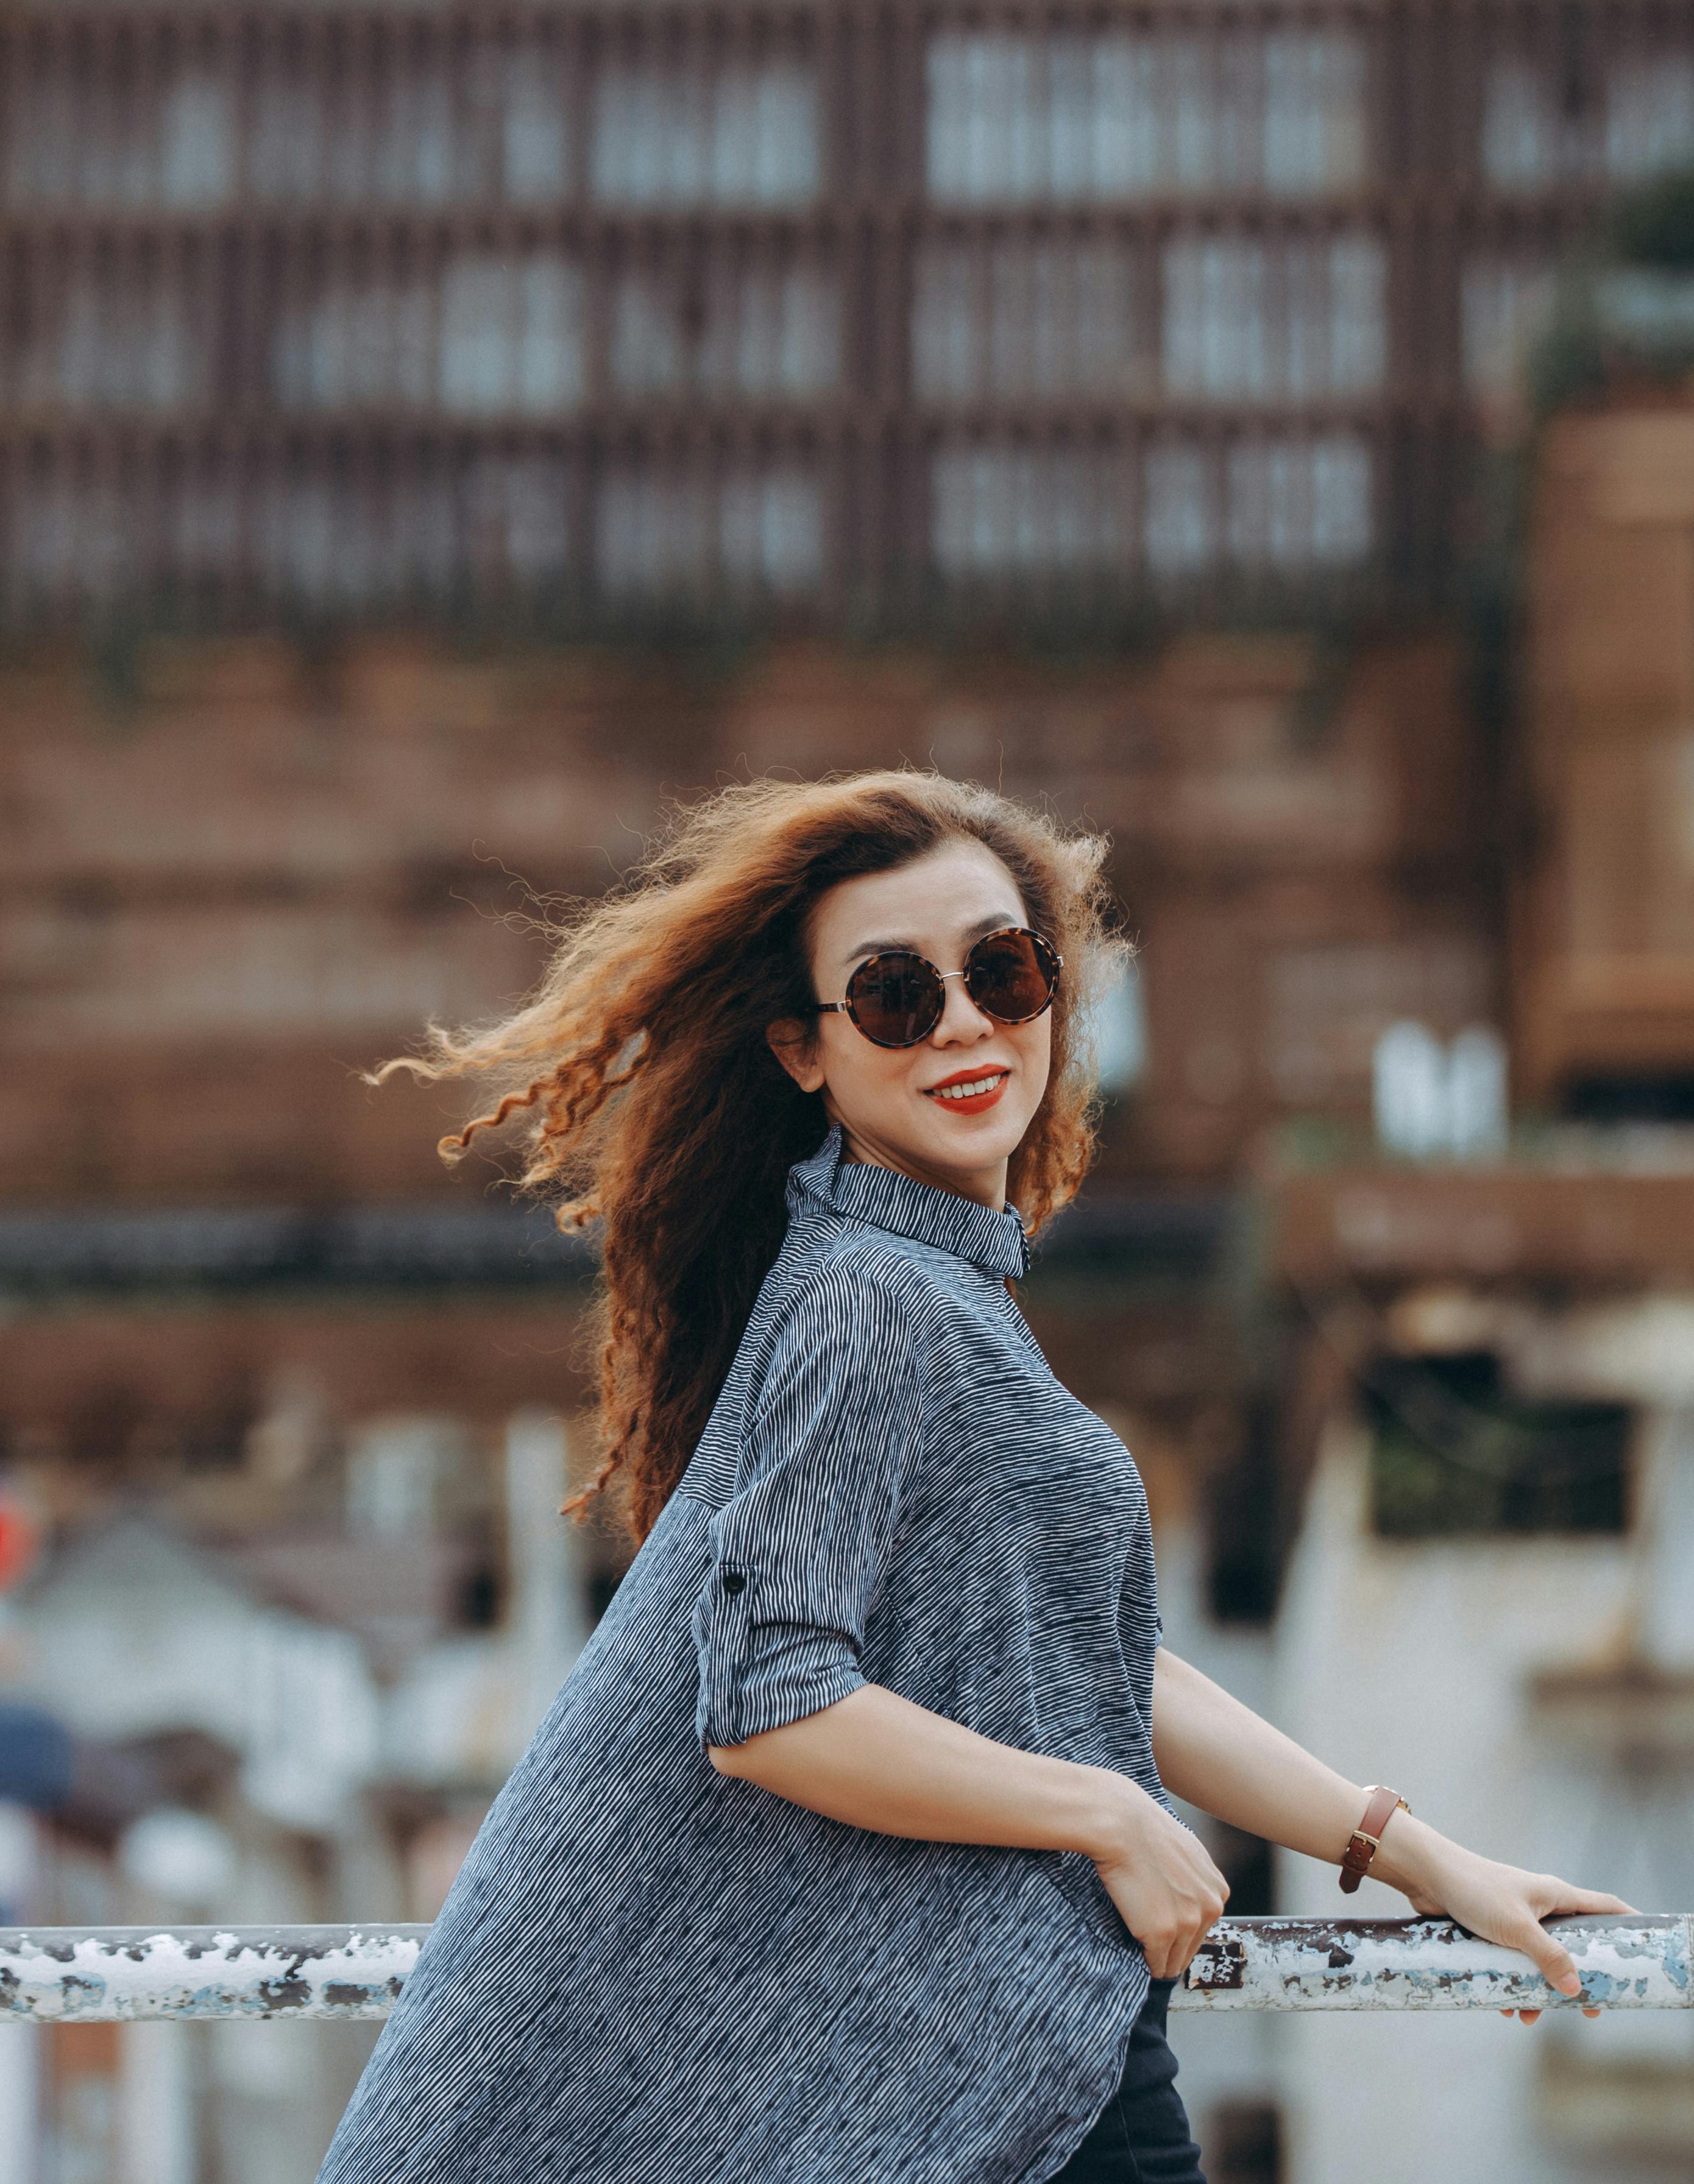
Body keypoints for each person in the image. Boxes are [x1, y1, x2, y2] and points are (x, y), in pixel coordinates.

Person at [316, 771, 1626, 2184]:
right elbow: (766, 1699)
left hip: (1027, 2061)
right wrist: (1110, 1811)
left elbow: (1104, 1658)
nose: (962, 1024)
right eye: (893, 993)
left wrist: (1422, 1859)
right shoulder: (872, 1298)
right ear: (805, 1052)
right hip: (1011, 2072)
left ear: (1055, 998)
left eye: (1001, 972)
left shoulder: (934, 1289)